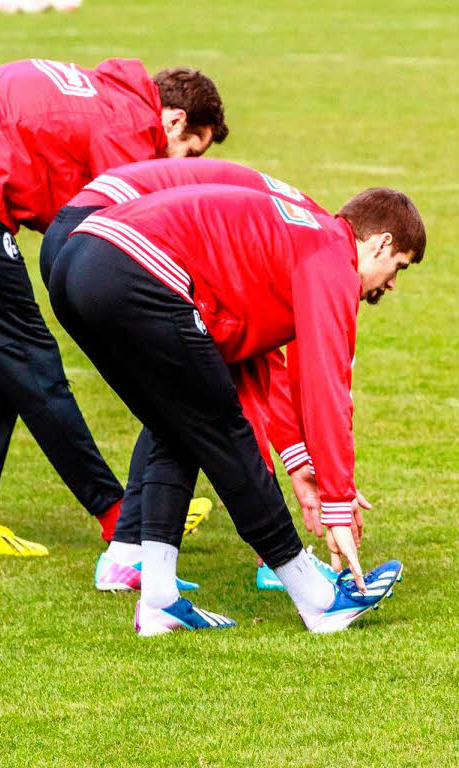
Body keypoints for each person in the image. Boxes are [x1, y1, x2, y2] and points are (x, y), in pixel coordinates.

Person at [49, 184, 425, 635]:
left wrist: (304, 462)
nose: (390, 284)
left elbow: (259, 364)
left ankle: (159, 601)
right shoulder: (331, 253)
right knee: (224, 431)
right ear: (382, 242)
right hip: (131, 262)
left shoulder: (299, 240)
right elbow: (327, 383)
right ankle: (319, 602)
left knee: (177, 429)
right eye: (397, 267)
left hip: (77, 260)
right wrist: (339, 501)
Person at [39, 157, 338, 592]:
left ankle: (129, 558)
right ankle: (291, 574)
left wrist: (295, 458)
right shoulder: (308, 246)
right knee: (203, 411)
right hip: (111, 243)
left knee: (177, 413)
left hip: (85, 241)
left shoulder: (288, 217)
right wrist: (300, 463)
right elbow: (259, 356)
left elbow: (251, 349)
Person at [0, 58, 226, 556]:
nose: (181, 166)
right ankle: (118, 514)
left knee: (3, 361)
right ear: (174, 119)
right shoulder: (131, 131)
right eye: (187, 151)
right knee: (33, 362)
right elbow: (115, 248)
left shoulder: (114, 98)